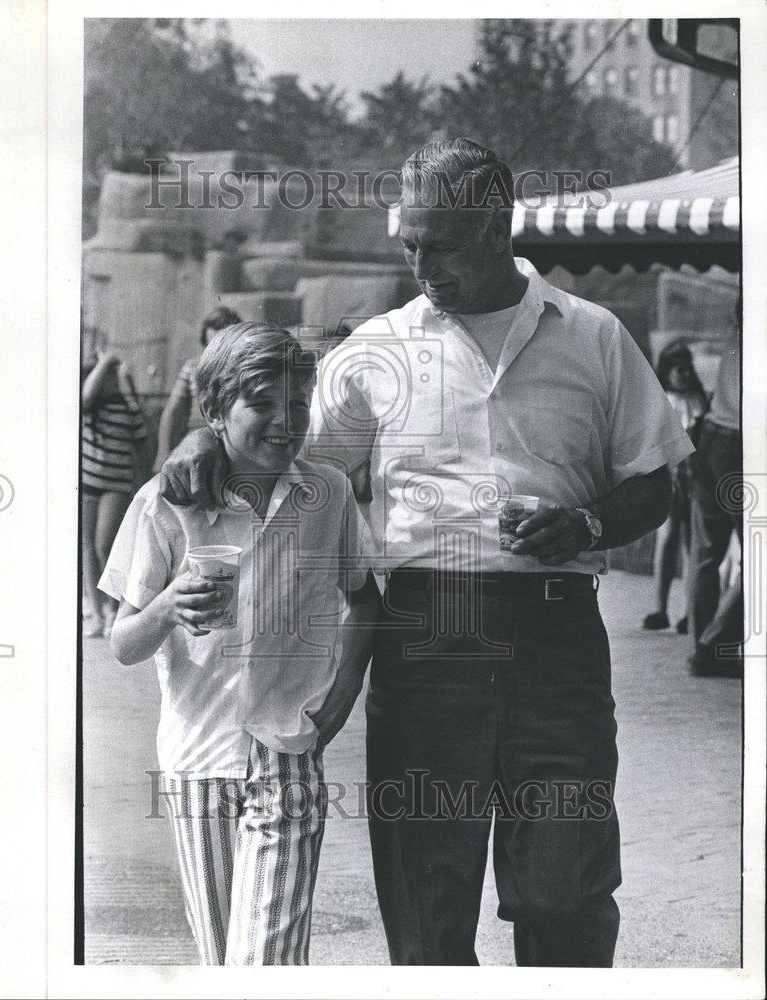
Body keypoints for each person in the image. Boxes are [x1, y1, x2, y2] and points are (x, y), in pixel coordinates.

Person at [158, 139, 695, 967]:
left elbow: (654, 482)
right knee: (425, 912)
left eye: (437, 243)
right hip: (420, 645)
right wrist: (203, 434)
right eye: (407, 243)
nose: (418, 263)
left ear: (496, 224)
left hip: (554, 646)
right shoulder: (372, 350)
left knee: (566, 890)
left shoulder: (593, 337)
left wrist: (585, 524)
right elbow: (286, 456)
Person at [98, 323, 379, 965]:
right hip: (196, 757)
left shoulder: (326, 493)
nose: (286, 421)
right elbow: (123, 643)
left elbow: (365, 597)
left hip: (286, 747)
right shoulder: (165, 503)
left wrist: (337, 704)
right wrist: (168, 606)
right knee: (221, 958)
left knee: (265, 964)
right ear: (218, 411)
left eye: (299, 404)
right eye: (263, 403)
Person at [687, 310, 742, 677]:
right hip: (741, 444)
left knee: (707, 554)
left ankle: (707, 647)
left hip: (711, 436)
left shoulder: (737, 333)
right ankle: (712, 645)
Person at [642, 339, 709, 633]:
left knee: (691, 543)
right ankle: (660, 608)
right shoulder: (662, 401)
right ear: (665, 372)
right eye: (675, 367)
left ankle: (689, 611)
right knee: (667, 540)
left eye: (685, 366)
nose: (682, 372)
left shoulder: (702, 400)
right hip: (671, 476)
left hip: (698, 478)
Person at [82, 350, 148, 637]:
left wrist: (123, 377)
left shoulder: (126, 406)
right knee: (87, 549)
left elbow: (142, 434)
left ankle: (113, 609)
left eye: (111, 376)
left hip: (116, 484)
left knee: (104, 546)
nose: (108, 381)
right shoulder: (90, 407)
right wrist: (105, 362)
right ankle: (96, 614)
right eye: (103, 376)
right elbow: (84, 397)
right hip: (88, 482)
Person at [153, 306, 241, 469]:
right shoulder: (193, 366)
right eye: (211, 346)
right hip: (198, 442)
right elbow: (173, 410)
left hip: (232, 444)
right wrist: (163, 453)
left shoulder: (243, 368)